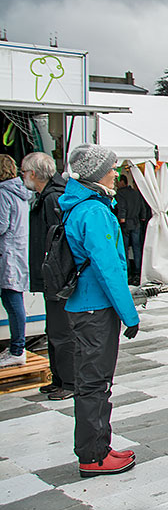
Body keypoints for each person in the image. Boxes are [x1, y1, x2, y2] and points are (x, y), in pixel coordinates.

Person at [59, 145, 139, 476]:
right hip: (95, 307)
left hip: (85, 304)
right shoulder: (94, 212)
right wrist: (130, 314)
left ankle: (99, 446)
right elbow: (109, 268)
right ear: (95, 174)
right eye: (110, 167)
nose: (115, 172)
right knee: (95, 382)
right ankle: (92, 455)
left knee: (94, 380)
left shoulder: (81, 205)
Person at [20, 152, 74, 398]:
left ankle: (69, 382)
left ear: (33, 174)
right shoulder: (47, 196)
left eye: (23, 172)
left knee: (61, 332)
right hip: (50, 275)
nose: (23, 177)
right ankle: (60, 378)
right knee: (53, 330)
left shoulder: (53, 197)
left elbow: (59, 242)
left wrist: (54, 272)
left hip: (57, 277)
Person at [0, 154, 31, 369]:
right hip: (17, 251)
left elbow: (1, 225)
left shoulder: (3, 193)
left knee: (12, 300)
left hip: (7, 254)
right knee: (14, 299)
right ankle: (17, 347)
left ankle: (17, 349)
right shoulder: (21, 193)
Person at [114, 175, 149, 283]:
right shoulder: (136, 192)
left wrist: (122, 218)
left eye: (118, 182)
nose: (116, 184)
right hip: (137, 222)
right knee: (137, 248)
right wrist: (142, 217)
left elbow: (122, 207)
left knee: (124, 248)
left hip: (126, 223)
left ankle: (128, 273)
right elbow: (142, 208)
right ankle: (138, 272)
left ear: (123, 182)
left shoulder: (120, 194)